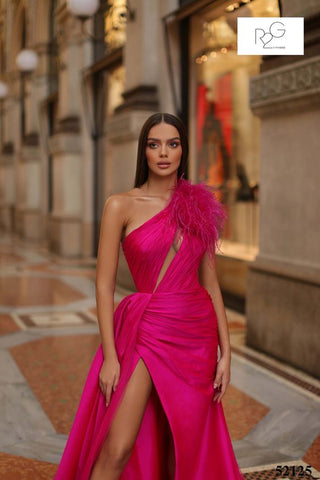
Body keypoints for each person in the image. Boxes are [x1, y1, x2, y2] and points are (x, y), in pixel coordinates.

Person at [55, 113, 244, 480]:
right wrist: (110, 356)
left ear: (183, 150)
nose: (163, 153)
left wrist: (227, 352)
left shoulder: (199, 204)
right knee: (119, 445)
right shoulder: (120, 205)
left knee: (184, 443)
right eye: (154, 144)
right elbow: (104, 285)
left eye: (172, 144)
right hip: (145, 330)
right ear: (143, 151)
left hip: (195, 336)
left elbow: (211, 283)